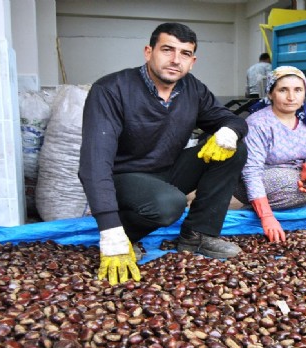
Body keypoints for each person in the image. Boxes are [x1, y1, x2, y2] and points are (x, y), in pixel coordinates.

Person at [79, 22, 248, 285]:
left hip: (167, 171)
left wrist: (229, 131)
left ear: (192, 61)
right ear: (149, 52)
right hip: (123, 177)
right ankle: (124, 234)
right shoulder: (111, 90)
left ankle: (198, 235)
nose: (175, 60)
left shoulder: (192, 88)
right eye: (167, 49)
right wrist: (109, 230)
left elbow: (230, 119)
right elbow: (94, 165)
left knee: (233, 148)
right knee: (169, 203)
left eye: (184, 54)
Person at [235, 66, 306, 242]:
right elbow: (251, 171)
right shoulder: (258, 123)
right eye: (283, 90)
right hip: (260, 178)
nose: (291, 97)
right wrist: (266, 217)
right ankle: (258, 206)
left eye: (298, 90)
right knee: (296, 186)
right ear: (271, 93)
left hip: (296, 175)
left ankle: (264, 206)